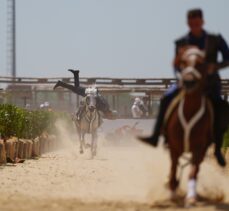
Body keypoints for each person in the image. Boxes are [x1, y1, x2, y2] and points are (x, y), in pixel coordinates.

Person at [139, 8, 229, 166]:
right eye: (192, 23)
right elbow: (176, 65)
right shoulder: (181, 43)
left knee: (222, 108)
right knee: (166, 98)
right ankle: (156, 136)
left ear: (202, 22)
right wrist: (180, 76)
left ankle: (217, 149)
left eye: (197, 22)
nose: (194, 25)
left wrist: (214, 67)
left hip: (209, 84)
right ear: (188, 23)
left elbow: (228, 59)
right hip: (186, 82)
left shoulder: (215, 40)